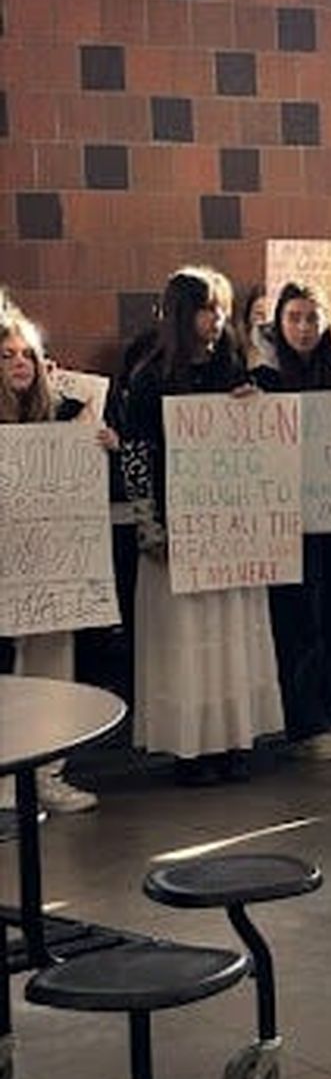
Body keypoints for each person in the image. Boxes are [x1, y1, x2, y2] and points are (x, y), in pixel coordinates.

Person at [122, 267, 282, 784]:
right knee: (186, 643)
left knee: (229, 638)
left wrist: (253, 407)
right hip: (176, 531)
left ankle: (233, 739)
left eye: (220, 308)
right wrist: (150, 526)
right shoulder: (149, 378)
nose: (216, 319)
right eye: (205, 308)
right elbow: (137, 454)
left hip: (229, 530)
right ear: (181, 314)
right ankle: (190, 748)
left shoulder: (234, 366)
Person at [0, 310, 116, 812]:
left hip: (51, 569)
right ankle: (5, 784)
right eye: (7, 356)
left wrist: (106, 445)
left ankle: (46, 773)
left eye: (26, 354)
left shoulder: (61, 418)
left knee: (51, 668)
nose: (20, 363)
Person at [254, 282, 331, 761]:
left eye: (311, 317)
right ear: (280, 323)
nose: (304, 327)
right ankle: (305, 724)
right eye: (294, 317)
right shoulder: (265, 378)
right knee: (299, 620)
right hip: (289, 523)